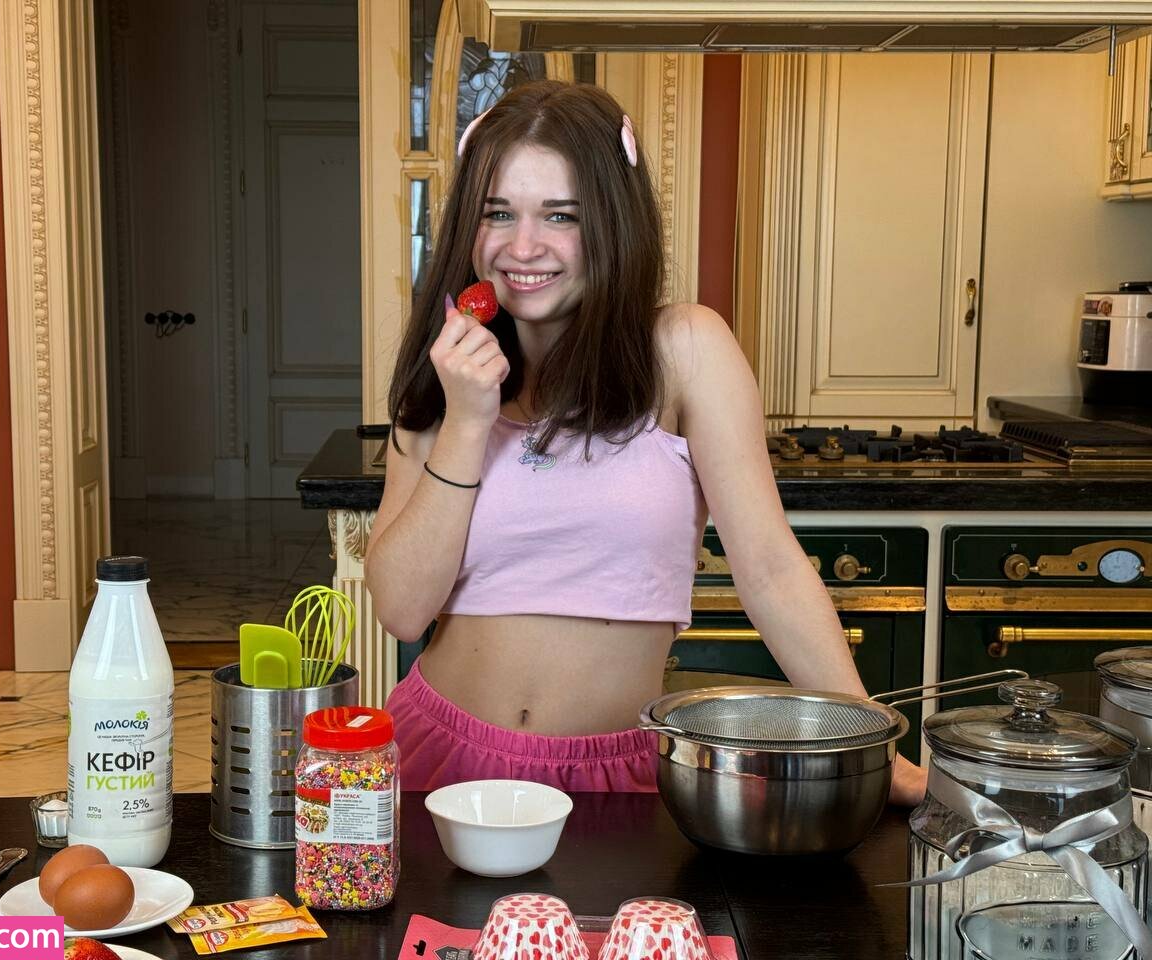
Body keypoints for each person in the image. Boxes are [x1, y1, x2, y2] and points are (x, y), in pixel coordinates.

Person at [365, 80, 926, 804]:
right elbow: (402, 611)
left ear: (612, 223)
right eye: (497, 212)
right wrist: (468, 421)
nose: (522, 247)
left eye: (561, 215)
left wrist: (871, 748)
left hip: (619, 778)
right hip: (437, 759)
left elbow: (771, 571)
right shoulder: (444, 376)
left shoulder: (685, 349)